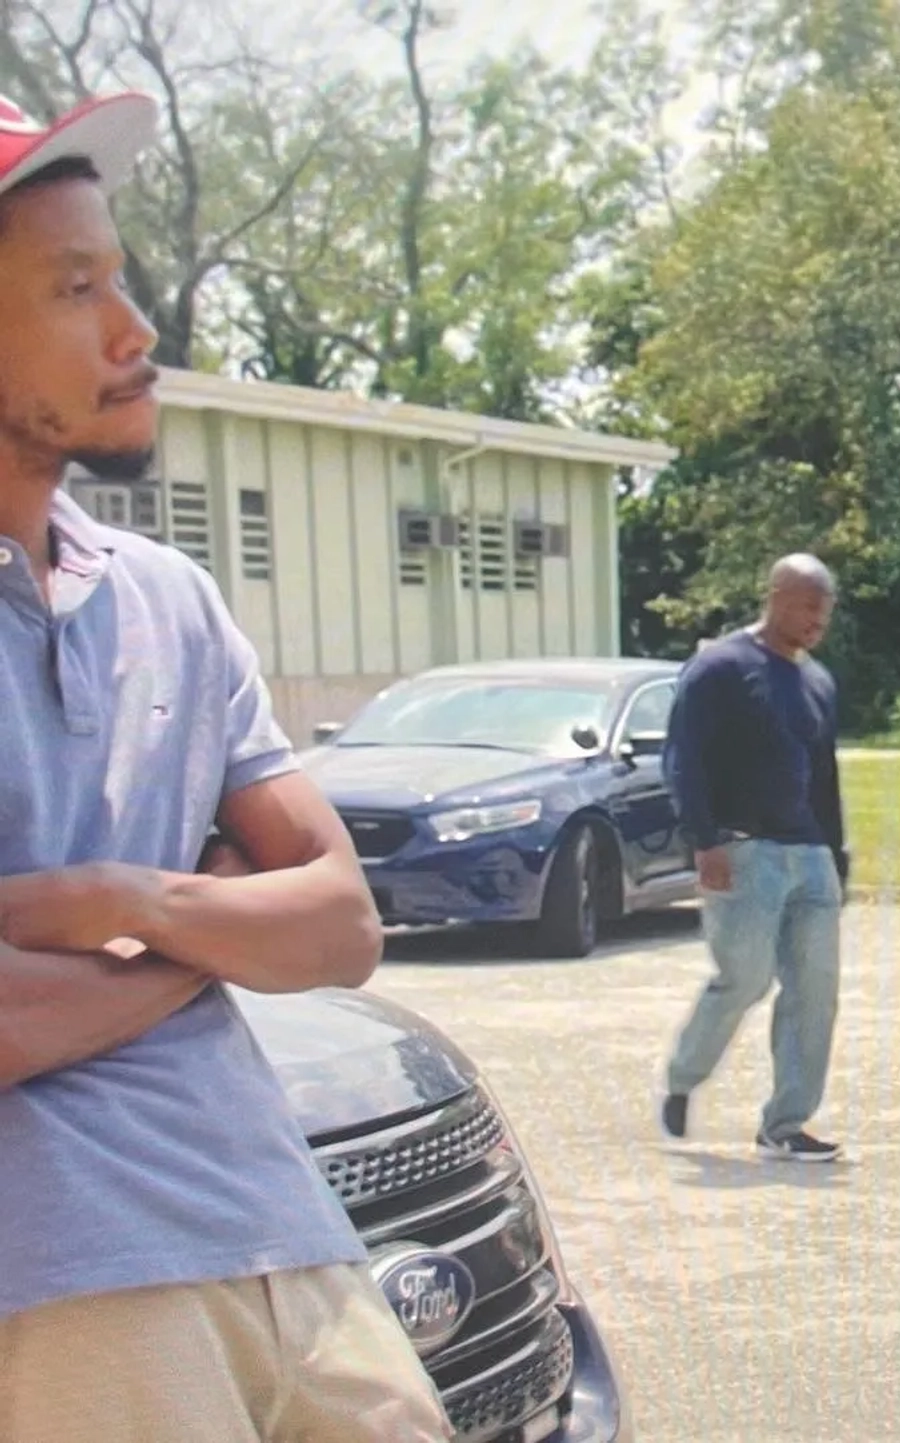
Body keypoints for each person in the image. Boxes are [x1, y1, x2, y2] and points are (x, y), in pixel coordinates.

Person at [0, 93, 450, 1440]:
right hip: (70, 1276)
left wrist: (128, 906)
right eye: (74, 288)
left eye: (118, 276)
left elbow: (342, 920)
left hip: (286, 1228)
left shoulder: (168, 597)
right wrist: (214, 921)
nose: (134, 331)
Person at [659, 553, 849, 1162]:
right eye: (806, 603)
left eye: (825, 607)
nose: (818, 617)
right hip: (743, 852)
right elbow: (684, 757)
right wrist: (704, 839)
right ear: (773, 595)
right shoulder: (719, 668)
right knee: (743, 979)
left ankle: (786, 1123)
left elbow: (825, 776)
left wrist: (835, 852)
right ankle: (684, 1078)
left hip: (809, 854)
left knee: (814, 991)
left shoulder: (819, 680)